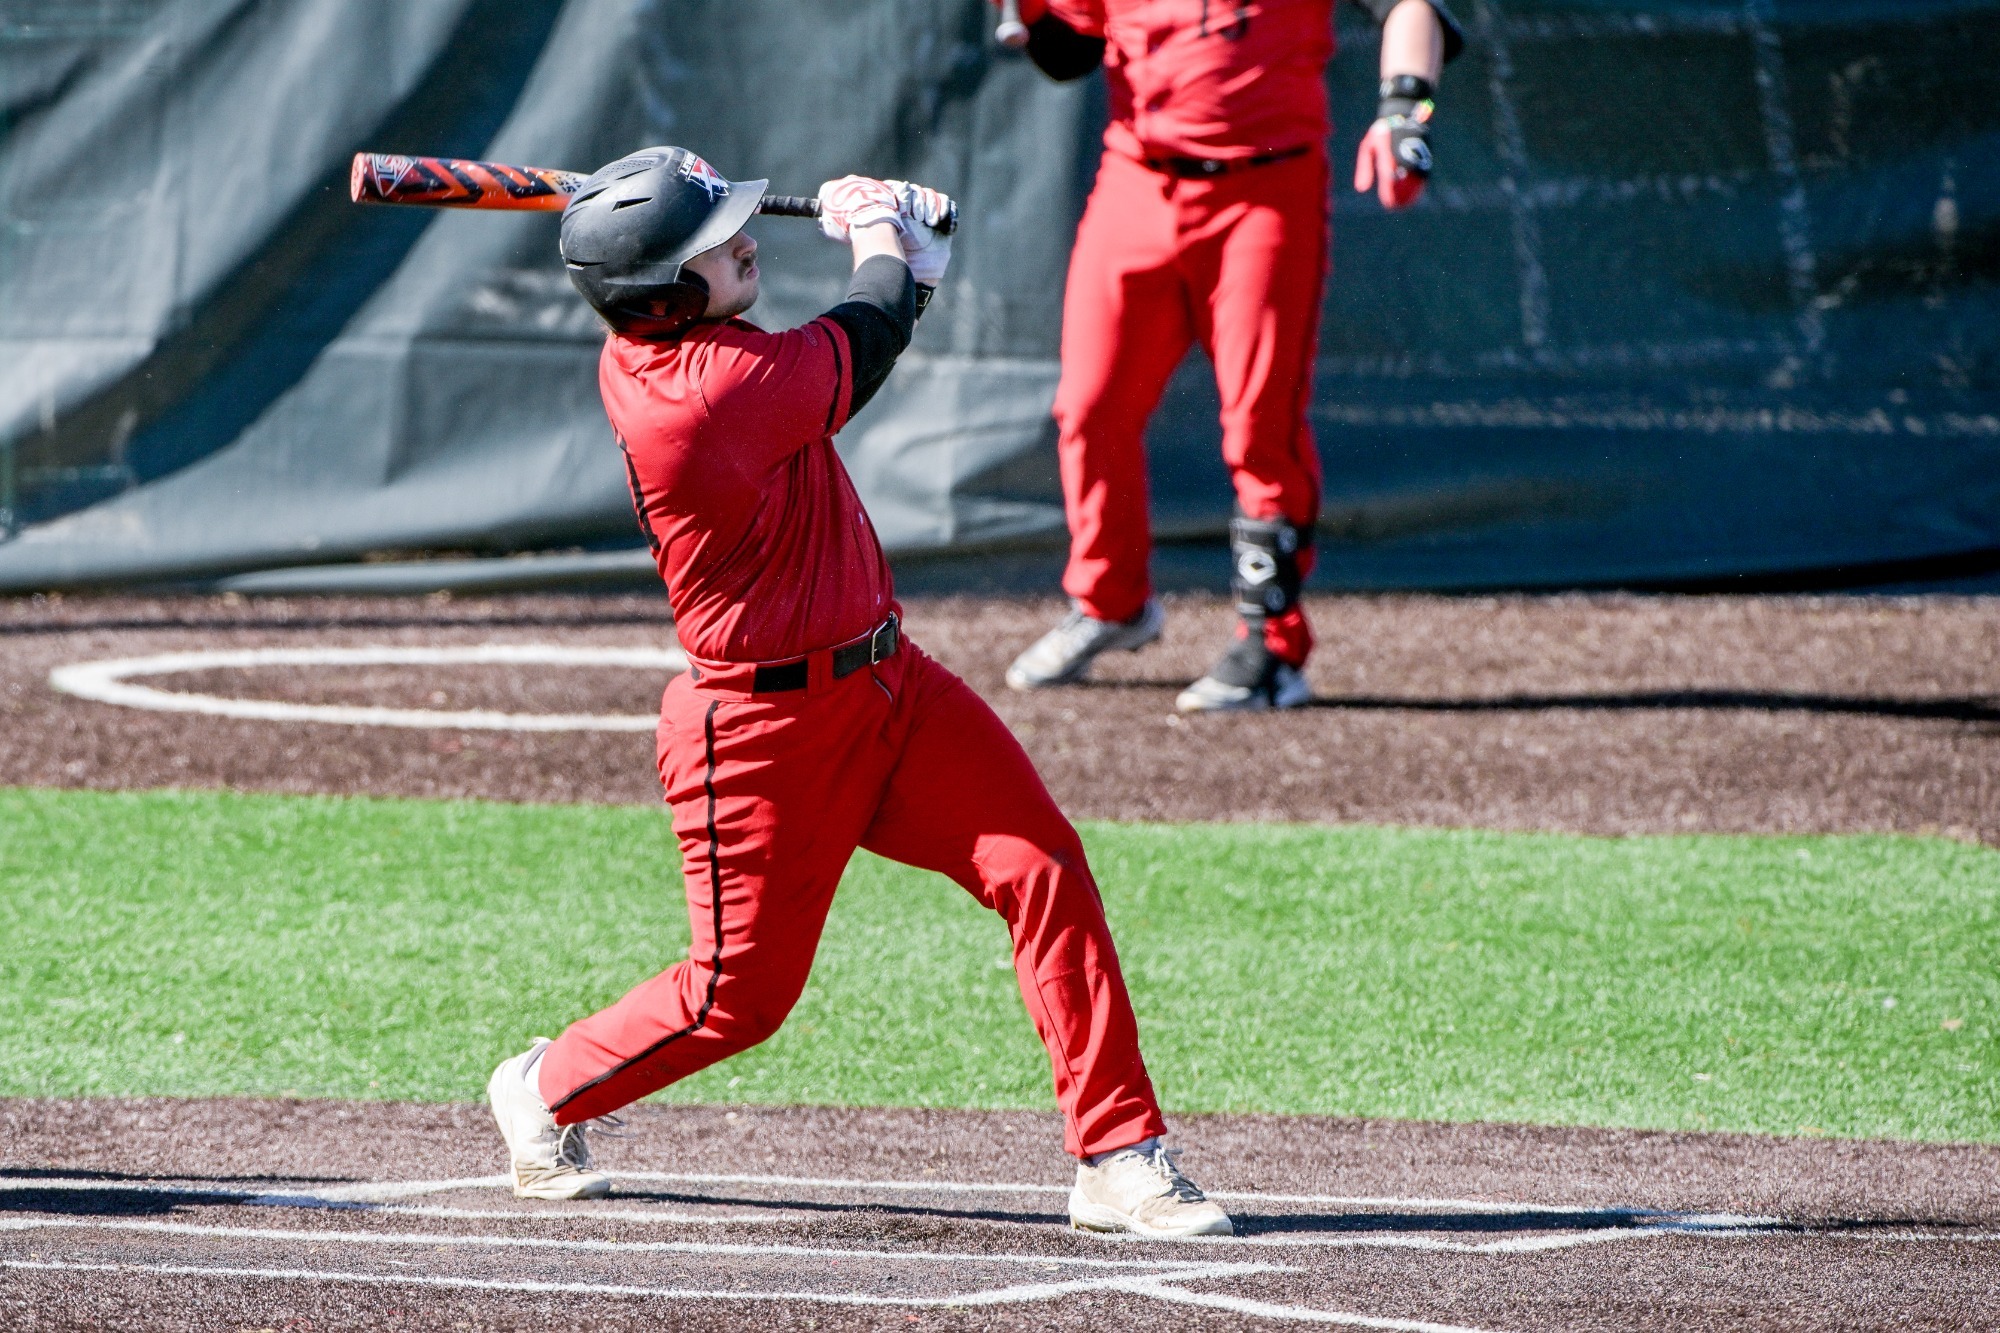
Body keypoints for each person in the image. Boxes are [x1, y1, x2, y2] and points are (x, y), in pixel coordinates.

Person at [484, 145, 1232, 1238]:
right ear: (664, 296)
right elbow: (862, 333)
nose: (744, 242)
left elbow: (871, 324)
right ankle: (544, 1087)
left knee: (1041, 867)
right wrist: (883, 236)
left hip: (891, 684)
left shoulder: (701, 349)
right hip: (760, 733)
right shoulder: (698, 396)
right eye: (712, 243)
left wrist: (903, 261)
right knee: (735, 1001)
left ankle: (1117, 1152)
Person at [1002, 0, 1465, 711]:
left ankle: (1274, 645)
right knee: (1090, 408)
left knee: (1259, 425)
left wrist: (1405, 111)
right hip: (1138, 177)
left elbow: (1411, 8)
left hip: (1265, 188)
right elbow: (1067, 51)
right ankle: (1110, 602)